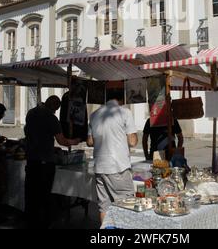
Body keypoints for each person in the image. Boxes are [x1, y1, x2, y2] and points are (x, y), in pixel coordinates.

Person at [24, 96, 80, 228]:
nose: (55, 111)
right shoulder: (51, 118)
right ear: (55, 107)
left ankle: (30, 221)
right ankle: (43, 223)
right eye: (56, 109)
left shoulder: (31, 112)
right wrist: (74, 141)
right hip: (45, 162)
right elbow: (62, 141)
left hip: (32, 159)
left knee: (31, 192)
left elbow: (30, 133)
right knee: (44, 193)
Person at [87, 90, 138, 224]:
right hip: (117, 167)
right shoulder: (124, 112)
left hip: (100, 167)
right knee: (127, 205)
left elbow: (90, 141)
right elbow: (132, 141)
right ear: (121, 100)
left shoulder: (94, 114)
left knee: (104, 206)